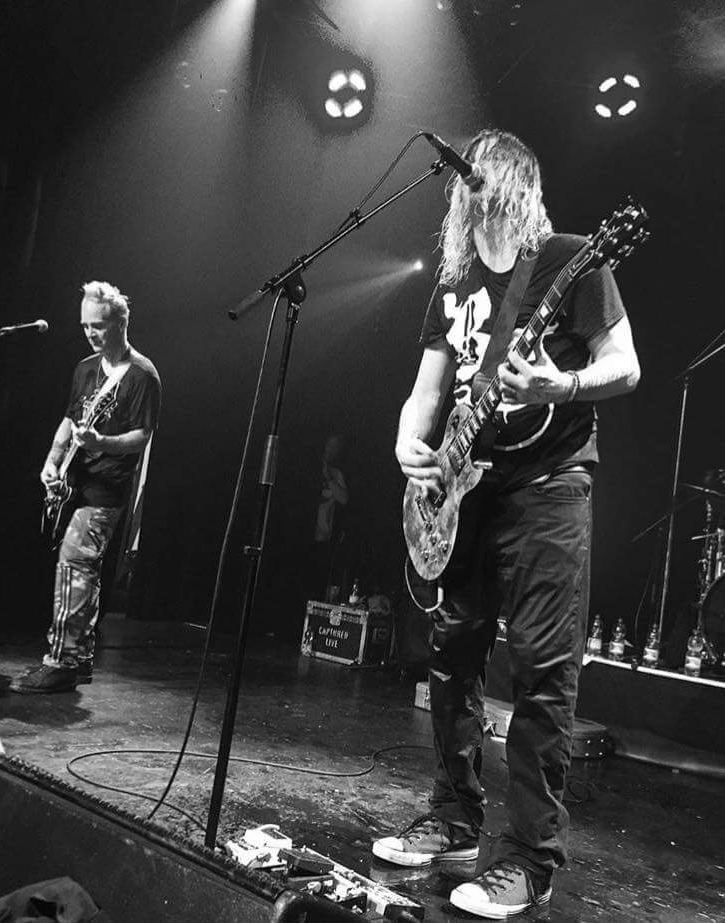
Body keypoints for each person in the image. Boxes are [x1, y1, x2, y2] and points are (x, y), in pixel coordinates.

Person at [371, 129, 640, 918]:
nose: (468, 183)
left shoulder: (572, 259)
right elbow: (427, 389)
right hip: (469, 488)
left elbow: (626, 364)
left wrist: (564, 385)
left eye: (482, 172)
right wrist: (407, 442)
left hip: (549, 485)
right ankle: (454, 818)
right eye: (463, 176)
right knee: (452, 653)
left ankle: (529, 859)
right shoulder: (453, 281)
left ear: (514, 181)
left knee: (541, 672)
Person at [11, 281, 161, 694]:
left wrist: (102, 442)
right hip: (76, 478)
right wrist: (52, 461)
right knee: (83, 570)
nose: (90, 334)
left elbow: (142, 435)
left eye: (98, 326)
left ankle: (61, 661)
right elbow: (69, 418)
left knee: (75, 561)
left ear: (120, 323)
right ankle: (79, 659)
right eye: (84, 326)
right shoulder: (85, 368)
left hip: (108, 486)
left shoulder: (142, 375)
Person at [308, 432, 349, 602]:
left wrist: (329, 476)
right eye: (329, 446)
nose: (331, 451)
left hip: (324, 539)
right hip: (304, 535)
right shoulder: (308, 469)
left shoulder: (335, 474)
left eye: (335, 448)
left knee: (319, 584)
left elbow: (344, 499)